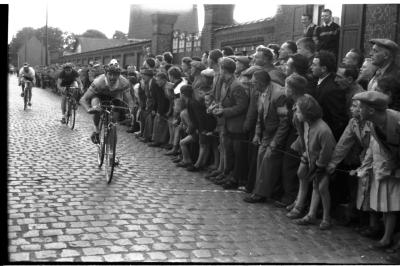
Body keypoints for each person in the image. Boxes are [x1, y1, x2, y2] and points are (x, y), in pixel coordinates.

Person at [353, 90, 400, 250]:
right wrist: (392, 163)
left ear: (371, 110)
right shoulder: (374, 125)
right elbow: (389, 149)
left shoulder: (397, 122)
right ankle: (389, 240)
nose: (358, 110)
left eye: (360, 107)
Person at [291, 94, 336, 230]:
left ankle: (326, 218)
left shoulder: (323, 129)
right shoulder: (306, 124)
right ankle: (311, 214)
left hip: (324, 164)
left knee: (321, 188)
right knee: (317, 186)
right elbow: (307, 141)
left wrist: (320, 166)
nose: (296, 113)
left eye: (298, 111)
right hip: (313, 161)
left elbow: (327, 150)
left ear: (307, 113)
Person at [243, 70, 289, 202]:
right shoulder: (259, 92)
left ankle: (261, 193)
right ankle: (259, 190)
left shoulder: (278, 94)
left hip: (277, 131)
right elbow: (260, 115)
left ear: (260, 83)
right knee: (260, 155)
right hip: (267, 131)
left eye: (253, 82)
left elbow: (284, 122)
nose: (251, 84)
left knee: (268, 158)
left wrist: (276, 141)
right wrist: (257, 134)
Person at [212, 57, 249, 189]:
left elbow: (242, 106)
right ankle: (229, 175)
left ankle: (235, 178)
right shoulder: (226, 83)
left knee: (237, 153)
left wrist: (224, 111)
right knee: (229, 151)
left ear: (224, 70)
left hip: (237, 125)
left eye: (220, 69)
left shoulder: (236, 85)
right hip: (228, 123)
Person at [79, 60, 134, 144]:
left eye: (115, 75)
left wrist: (131, 111)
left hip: (114, 96)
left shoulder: (124, 82)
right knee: (96, 109)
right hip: (98, 95)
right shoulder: (98, 82)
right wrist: (88, 109)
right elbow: (83, 99)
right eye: (110, 74)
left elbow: (129, 100)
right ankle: (96, 130)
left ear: (119, 75)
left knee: (115, 115)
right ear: (105, 74)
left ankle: (111, 130)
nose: (112, 77)